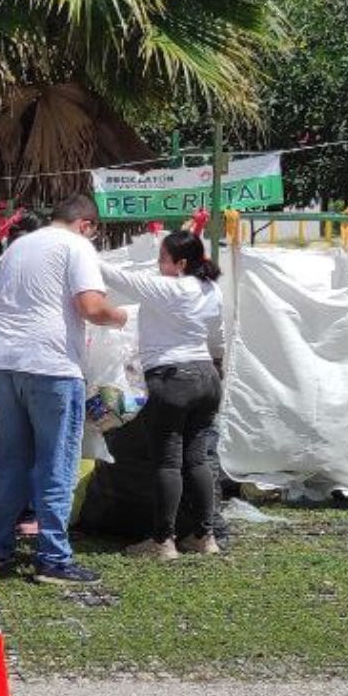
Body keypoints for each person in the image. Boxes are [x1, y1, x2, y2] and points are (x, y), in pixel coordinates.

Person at [0, 195, 127, 585]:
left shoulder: (15, 248)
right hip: (52, 364)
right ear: (86, 225)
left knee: (11, 461)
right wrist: (122, 318)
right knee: (56, 461)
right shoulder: (76, 246)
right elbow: (91, 306)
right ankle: (53, 558)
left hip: (4, 362)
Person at [95, 230, 225, 559]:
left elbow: (116, 276)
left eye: (163, 258)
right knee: (198, 459)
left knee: (168, 462)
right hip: (207, 376)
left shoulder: (170, 288)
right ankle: (204, 536)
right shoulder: (211, 289)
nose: (158, 264)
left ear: (180, 264)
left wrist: (77, 250)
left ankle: (163, 541)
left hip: (172, 379)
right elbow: (218, 336)